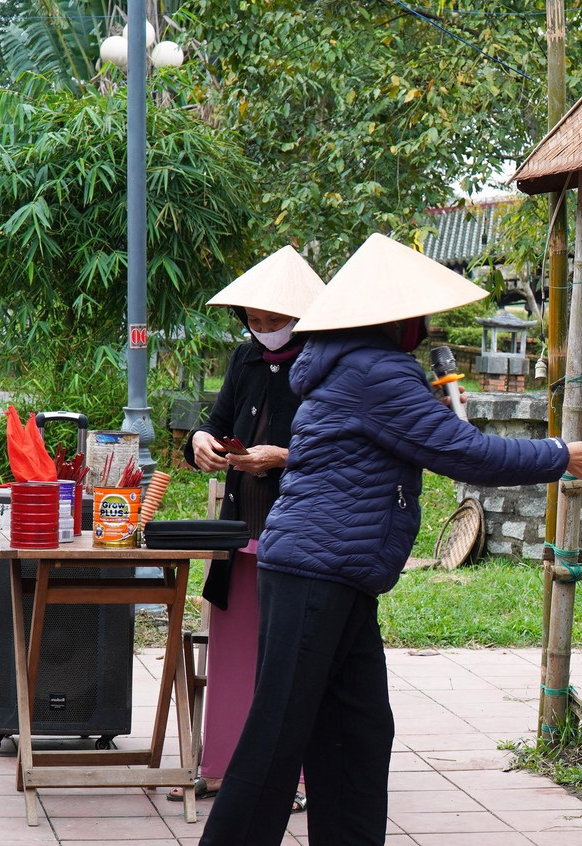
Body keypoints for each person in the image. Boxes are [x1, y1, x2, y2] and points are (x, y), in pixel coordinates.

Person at [197, 233, 582, 846]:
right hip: (319, 569)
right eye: (417, 314)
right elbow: (461, 450)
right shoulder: (375, 370)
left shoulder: (347, 361)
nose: (423, 325)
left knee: (357, 730)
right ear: (395, 318)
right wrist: (558, 453)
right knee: (278, 734)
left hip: (339, 569)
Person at [175, 245, 325, 812]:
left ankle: (296, 775)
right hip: (240, 525)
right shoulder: (243, 359)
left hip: (300, 525)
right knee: (235, 646)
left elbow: (338, 449)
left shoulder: (324, 363)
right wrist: (202, 444)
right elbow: (216, 422)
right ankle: (226, 767)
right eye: (254, 321)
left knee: (287, 651)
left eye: (274, 321)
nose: (263, 330)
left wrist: (280, 457)